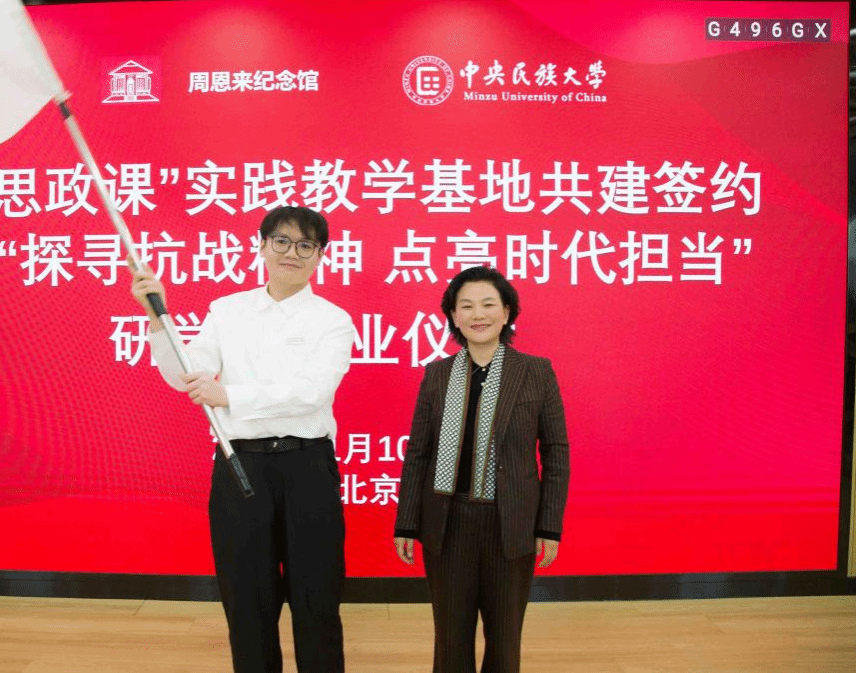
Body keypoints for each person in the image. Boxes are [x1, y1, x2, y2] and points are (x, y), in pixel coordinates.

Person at [131, 205, 355, 673]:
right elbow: (187, 373)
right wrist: (157, 317)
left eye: (305, 245)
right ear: (262, 246)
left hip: (307, 468)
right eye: (281, 241)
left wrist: (228, 396)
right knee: (247, 601)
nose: (292, 253)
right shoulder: (227, 310)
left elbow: (312, 392)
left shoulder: (332, 320)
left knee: (316, 599)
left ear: (320, 255)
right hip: (240, 466)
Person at [393, 265, 570, 673]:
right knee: (450, 641)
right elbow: (418, 453)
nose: (478, 314)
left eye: (489, 304)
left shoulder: (536, 372)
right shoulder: (437, 375)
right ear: (453, 317)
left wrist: (548, 527)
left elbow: (556, 452)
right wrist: (406, 524)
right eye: (466, 306)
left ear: (506, 313)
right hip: (447, 524)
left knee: (504, 640)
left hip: (510, 524)